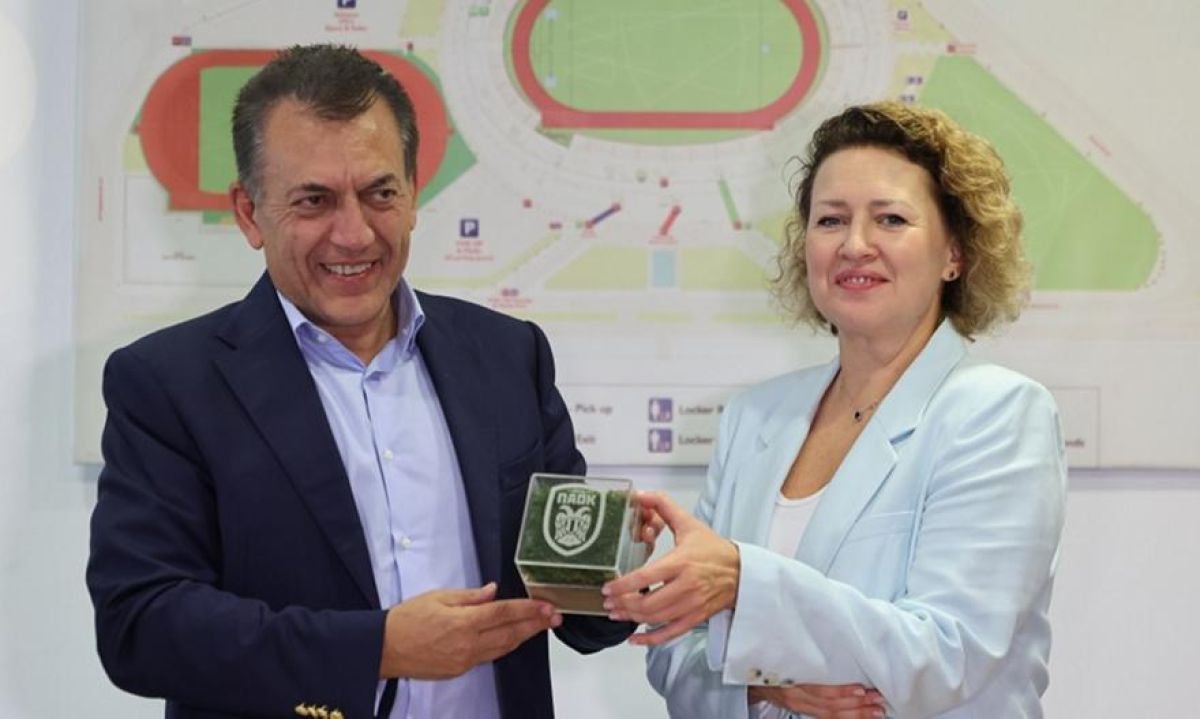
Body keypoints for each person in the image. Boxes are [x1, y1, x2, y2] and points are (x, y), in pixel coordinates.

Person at [86, 44, 645, 719]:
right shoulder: (168, 384)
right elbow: (141, 626)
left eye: (380, 193)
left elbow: (574, 605)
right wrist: (377, 648)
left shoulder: (508, 355)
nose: (353, 235)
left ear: (412, 194)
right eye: (314, 201)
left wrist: (628, 574)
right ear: (248, 212)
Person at [602, 102, 1068, 718]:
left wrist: (744, 584)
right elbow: (672, 654)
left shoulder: (999, 412)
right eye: (831, 220)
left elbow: (946, 656)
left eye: (891, 219)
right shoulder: (754, 417)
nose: (854, 245)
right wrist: (760, 686)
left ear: (955, 253)